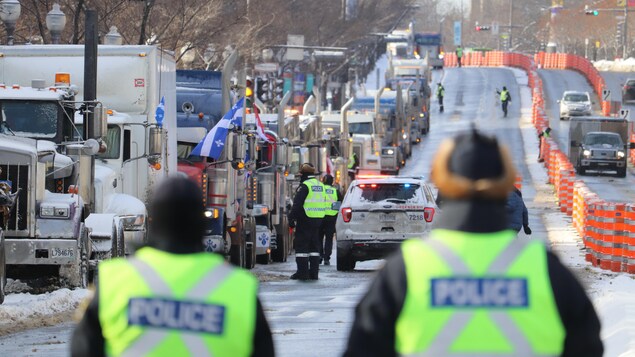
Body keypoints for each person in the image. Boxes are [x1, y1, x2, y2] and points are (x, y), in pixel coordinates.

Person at [344, 130, 603, 357]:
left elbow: (363, 346)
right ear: (504, 181)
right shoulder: (547, 272)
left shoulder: (405, 272)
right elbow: (587, 346)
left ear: (443, 182)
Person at [71, 177, 274, 357]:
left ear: (154, 221)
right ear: (201, 224)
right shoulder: (240, 288)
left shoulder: (114, 281)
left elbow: (82, 349)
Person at [288, 163, 325, 280]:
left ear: (303, 174)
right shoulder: (320, 185)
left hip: (305, 219)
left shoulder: (305, 186)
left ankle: (302, 273)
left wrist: (291, 218)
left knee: (302, 247)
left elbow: (297, 204)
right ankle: (314, 273)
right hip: (318, 220)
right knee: (315, 247)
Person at [320, 174, 342, 265]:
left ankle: (320, 255)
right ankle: (326, 258)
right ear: (332, 182)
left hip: (320, 217)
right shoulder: (335, 191)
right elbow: (339, 204)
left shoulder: (320, 190)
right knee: (329, 238)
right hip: (331, 218)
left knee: (319, 238)